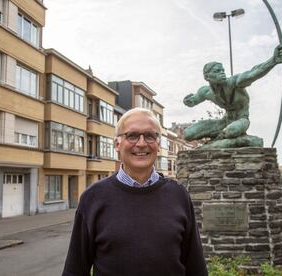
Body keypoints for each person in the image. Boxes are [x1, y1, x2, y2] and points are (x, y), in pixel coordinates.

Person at [62, 107, 208, 276]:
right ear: (117, 144)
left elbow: (196, 267)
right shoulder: (93, 198)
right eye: (132, 135)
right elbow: (75, 270)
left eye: (149, 135)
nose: (141, 143)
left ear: (158, 145)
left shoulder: (179, 195)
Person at [183, 44, 282, 147]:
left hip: (241, 120)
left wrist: (273, 60)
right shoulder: (206, 92)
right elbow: (193, 100)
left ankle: (243, 141)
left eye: (222, 70)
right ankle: (236, 141)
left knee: (231, 131)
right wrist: (188, 101)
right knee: (188, 134)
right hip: (224, 122)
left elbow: (253, 73)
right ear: (207, 77)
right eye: (217, 71)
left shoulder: (235, 82)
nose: (222, 73)